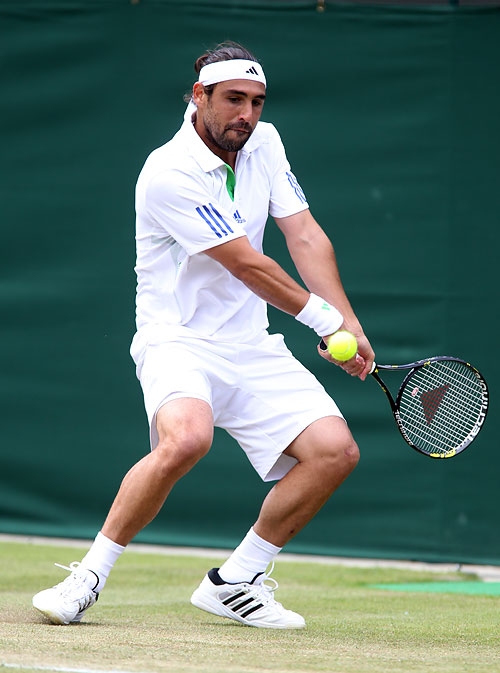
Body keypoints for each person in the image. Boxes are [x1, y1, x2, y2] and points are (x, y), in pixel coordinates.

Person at [32, 41, 375, 630]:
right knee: (187, 439)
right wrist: (324, 322)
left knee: (335, 452)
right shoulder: (168, 172)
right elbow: (246, 265)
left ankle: (236, 580)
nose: (247, 114)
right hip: (176, 339)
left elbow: (304, 235)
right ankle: (86, 577)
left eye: (257, 102)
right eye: (234, 99)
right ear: (200, 96)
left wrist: (350, 323)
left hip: (251, 343)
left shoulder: (265, 144)